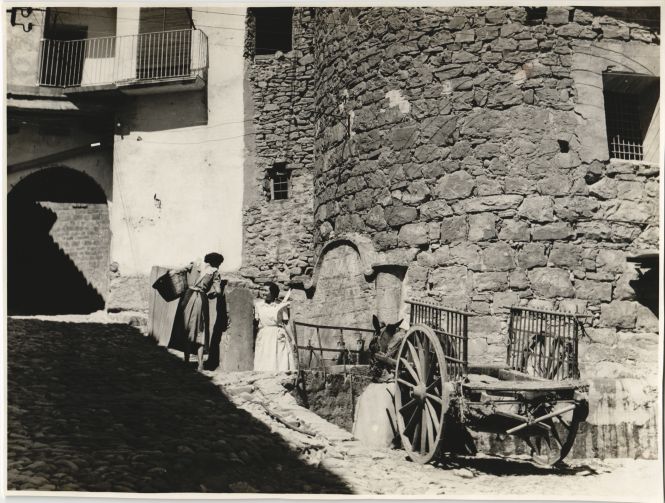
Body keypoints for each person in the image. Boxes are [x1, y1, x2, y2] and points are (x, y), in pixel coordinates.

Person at [168, 252, 225, 371]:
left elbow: (177, 272)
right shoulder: (214, 272)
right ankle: (200, 364)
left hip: (187, 297)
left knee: (186, 328)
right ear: (216, 263)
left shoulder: (195, 264)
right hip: (200, 299)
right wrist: (213, 294)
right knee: (200, 330)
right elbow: (218, 291)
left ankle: (187, 361)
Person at [253, 282, 296, 372]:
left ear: (272, 293)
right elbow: (256, 323)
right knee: (264, 360)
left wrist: (293, 340)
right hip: (264, 335)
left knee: (279, 358)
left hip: (277, 335)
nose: (263, 292)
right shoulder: (258, 305)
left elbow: (286, 323)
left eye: (265, 290)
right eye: (262, 290)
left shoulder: (281, 305)